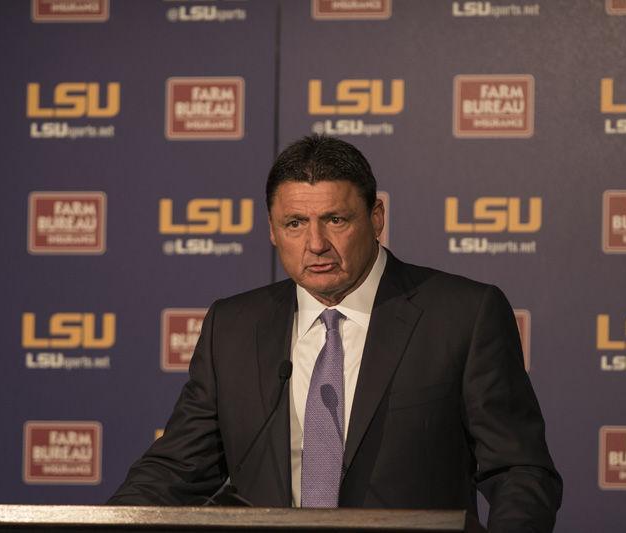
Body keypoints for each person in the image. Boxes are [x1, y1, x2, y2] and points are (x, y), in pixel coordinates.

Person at [109, 135, 562, 532]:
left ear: (376, 216)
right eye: (295, 224)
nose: (316, 243)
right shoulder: (233, 327)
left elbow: (521, 471)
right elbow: (175, 471)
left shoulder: (462, 314)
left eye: (336, 220)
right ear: (271, 229)